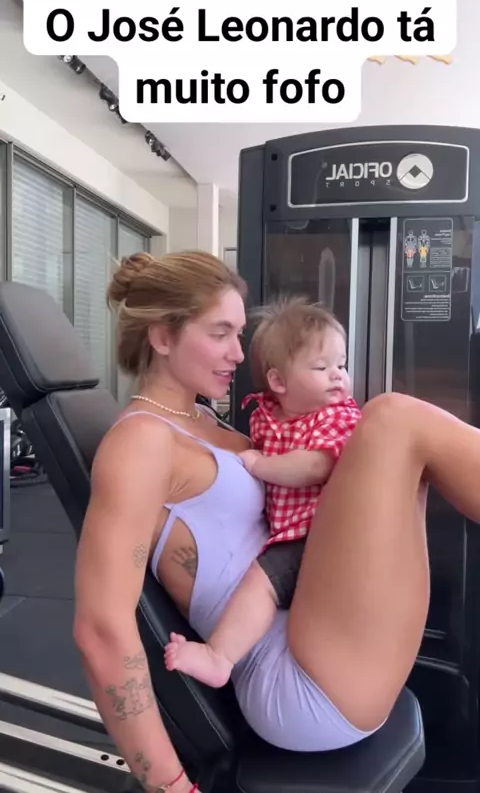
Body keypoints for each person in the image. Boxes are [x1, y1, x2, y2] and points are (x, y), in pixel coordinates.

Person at [74, 249, 480, 793]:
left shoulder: (204, 420)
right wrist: (171, 786)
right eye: (220, 334)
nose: (238, 354)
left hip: (319, 629)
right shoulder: (141, 442)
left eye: (239, 334)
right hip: (298, 682)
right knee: (394, 420)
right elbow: (101, 629)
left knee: (399, 457)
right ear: (163, 337)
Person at [164, 297, 362, 687]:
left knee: (261, 583)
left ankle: (220, 656)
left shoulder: (338, 415)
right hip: (292, 536)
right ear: (278, 382)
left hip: (318, 535)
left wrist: (260, 466)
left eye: (341, 365)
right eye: (322, 367)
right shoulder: (265, 416)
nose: (338, 376)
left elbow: (316, 466)